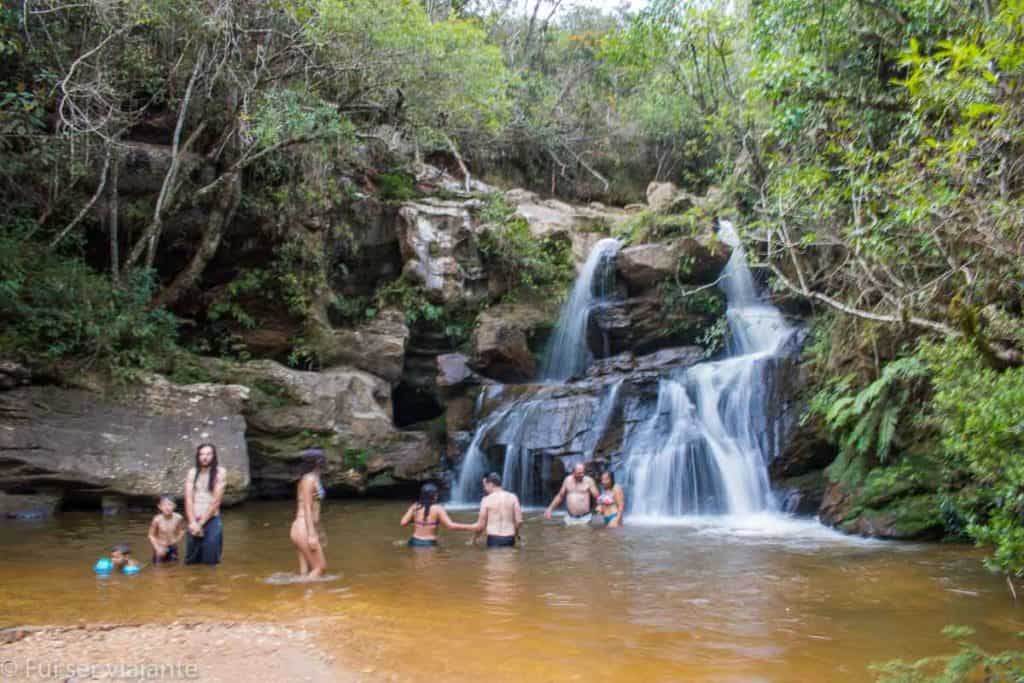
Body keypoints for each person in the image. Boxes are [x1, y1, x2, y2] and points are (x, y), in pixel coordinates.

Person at [184, 443, 227, 565]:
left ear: (214, 456)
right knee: (191, 561)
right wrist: (192, 522)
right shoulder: (192, 472)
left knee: (211, 560)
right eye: (202, 454)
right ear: (198, 456)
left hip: (211, 519)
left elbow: (215, 502)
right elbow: (188, 498)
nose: (205, 457)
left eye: (208, 454)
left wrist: (200, 524)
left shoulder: (220, 472)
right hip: (194, 518)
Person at [290, 448, 327, 580]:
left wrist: (318, 529)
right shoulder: (309, 478)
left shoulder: (314, 477)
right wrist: (311, 534)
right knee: (320, 567)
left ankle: (305, 599)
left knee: (305, 572)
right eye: (322, 459)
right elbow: (306, 506)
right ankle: (301, 597)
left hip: (304, 527)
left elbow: (315, 508)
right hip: (303, 527)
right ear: (317, 462)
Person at [400, 483, 475, 547]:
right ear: (435, 496)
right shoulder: (438, 509)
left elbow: (403, 523)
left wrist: (417, 520)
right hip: (429, 543)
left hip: (414, 541)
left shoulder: (415, 506)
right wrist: (472, 527)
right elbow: (451, 526)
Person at [468, 472, 523, 548]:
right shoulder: (513, 497)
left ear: (491, 484)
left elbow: (481, 526)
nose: (484, 489)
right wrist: (516, 534)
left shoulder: (486, 500)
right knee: (510, 559)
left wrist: (474, 539)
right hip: (510, 538)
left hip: (494, 538)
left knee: (494, 558)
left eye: (485, 486)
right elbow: (519, 521)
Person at [148, 494, 185, 563]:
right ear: (159, 507)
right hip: (160, 546)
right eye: (164, 505)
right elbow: (151, 535)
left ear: (174, 506)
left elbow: (182, 530)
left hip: (172, 546)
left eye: (170, 504)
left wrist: (176, 540)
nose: (167, 507)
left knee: (174, 566)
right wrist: (157, 548)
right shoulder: (157, 520)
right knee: (157, 568)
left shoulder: (178, 518)